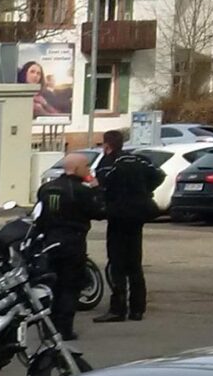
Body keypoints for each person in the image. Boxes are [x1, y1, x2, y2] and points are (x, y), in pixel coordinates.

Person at [91, 130, 158, 323]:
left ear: (107, 145)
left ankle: (118, 309)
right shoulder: (139, 160)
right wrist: (143, 192)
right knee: (135, 263)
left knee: (117, 264)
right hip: (137, 216)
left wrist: (103, 196)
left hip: (118, 216)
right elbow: (158, 175)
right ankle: (137, 309)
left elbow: (103, 185)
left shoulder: (108, 163)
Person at [35, 152, 102, 345]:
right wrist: (97, 189)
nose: (88, 170)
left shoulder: (46, 188)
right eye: (86, 167)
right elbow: (98, 211)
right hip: (72, 243)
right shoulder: (81, 190)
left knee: (53, 286)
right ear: (78, 168)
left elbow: (39, 215)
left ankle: (49, 329)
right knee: (69, 287)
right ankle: (64, 330)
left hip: (49, 243)